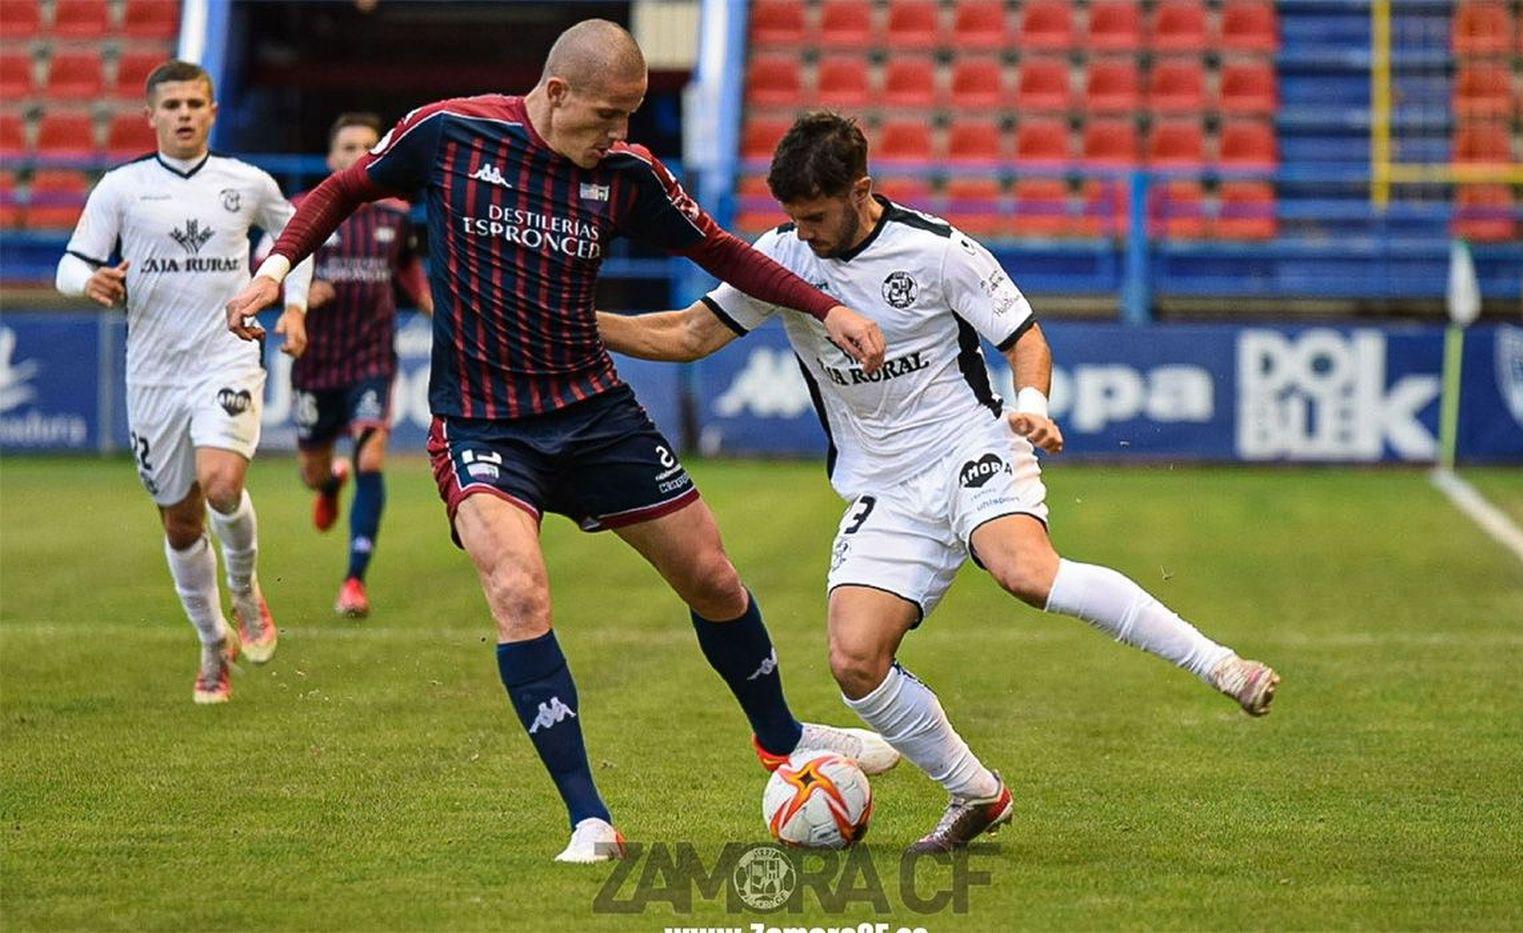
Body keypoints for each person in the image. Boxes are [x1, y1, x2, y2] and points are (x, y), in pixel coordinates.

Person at [223, 21, 895, 863]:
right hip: (482, 421)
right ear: (556, 93)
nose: (620, 136)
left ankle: (784, 738)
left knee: (713, 576)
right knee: (518, 593)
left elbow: (721, 250)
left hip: (592, 408)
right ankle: (590, 817)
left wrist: (828, 306)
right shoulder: (451, 133)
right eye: (609, 116)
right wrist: (273, 271)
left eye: (632, 119)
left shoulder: (628, 175)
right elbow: (339, 193)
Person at [598, 111, 1281, 853]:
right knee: (854, 661)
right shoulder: (785, 254)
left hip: (969, 448)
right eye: (792, 218)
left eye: (817, 217)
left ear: (861, 189)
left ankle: (1222, 665)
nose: (806, 234)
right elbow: (691, 335)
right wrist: (577, 317)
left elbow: (1025, 338)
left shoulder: (938, 252)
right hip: (884, 486)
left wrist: (1032, 407)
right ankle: (976, 793)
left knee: (1028, 573)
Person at [55, 60, 313, 703]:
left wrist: (296, 305)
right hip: (153, 376)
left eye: (196, 103)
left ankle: (248, 594)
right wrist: (88, 281)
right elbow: (70, 263)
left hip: (224, 356)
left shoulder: (246, 183)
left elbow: (297, 239)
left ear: (214, 110)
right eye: (171, 106)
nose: (184, 114)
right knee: (179, 522)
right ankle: (210, 642)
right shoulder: (122, 188)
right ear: (151, 116)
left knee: (223, 483)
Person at [259, 113, 435, 618]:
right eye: (348, 146)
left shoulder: (395, 214)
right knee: (311, 472)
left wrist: (430, 305)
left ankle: (354, 581)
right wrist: (300, 291)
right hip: (315, 361)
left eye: (367, 145)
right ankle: (329, 483)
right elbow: (264, 263)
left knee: (372, 458)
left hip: (372, 357)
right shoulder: (304, 210)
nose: (359, 153)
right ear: (331, 158)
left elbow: (405, 264)